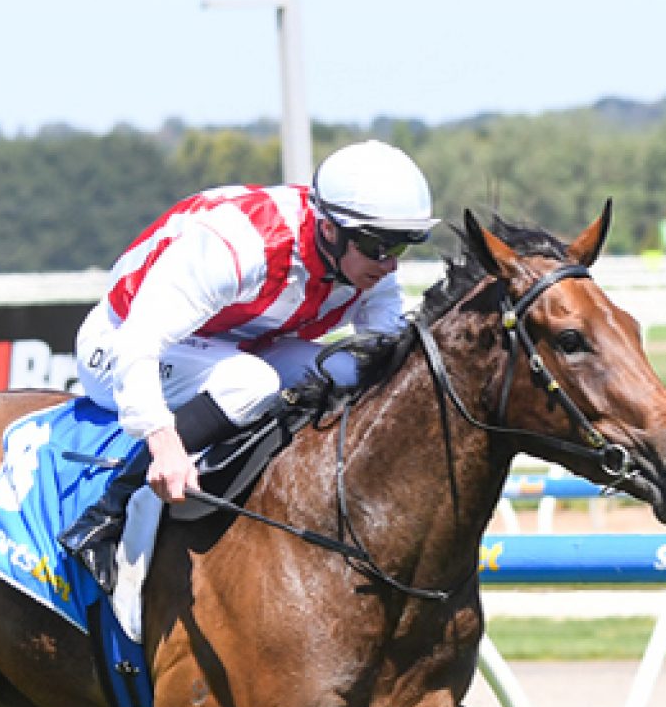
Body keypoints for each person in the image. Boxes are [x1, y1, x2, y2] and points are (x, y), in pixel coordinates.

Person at [58, 140, 439, 591]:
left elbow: (386, 355)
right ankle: (107, 512)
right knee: (251, 382)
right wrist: (164, 444)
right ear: (331, 230)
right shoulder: (241, 244)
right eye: (378, 246)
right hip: (122, 342)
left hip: (225, 348)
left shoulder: (367, 265)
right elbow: (140, 341)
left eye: (402, 246)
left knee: (345, 370)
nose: (389, 263)